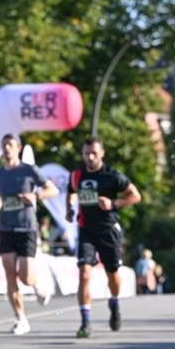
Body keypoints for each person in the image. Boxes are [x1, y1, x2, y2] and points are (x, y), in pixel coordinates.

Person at [0, 134, 59, 334]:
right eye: (4, 144)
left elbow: (53, 190)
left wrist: (35, 195)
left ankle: (37, 284)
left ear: (18, 148)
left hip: (27, 228)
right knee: (10, 274)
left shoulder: (29, 170)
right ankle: (20, 319)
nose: (6, 148)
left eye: (10, 145)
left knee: (25, 276)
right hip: (6, 228)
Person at [66, 136, 141, 337]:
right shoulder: (76, 175)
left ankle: (114, 301)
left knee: (113, 275)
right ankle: (85, 322)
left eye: (94, 153)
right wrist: (69, 209)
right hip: (86, 230)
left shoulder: (112, 176)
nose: (90, 157)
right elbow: (71, 192)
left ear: (102, 154)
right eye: (86, 154)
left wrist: (113, 203)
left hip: (108, 231)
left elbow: (135, 195)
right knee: (84, 273)